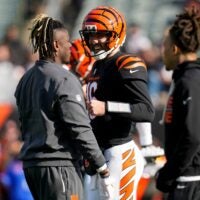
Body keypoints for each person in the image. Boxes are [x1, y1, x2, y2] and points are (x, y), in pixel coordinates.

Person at [14, 14, 112, 200]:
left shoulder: (26, 79)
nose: (71, 46)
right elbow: (79, 127)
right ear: (56, 46)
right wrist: (102, 166)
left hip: (32, 167)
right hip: (59, 167)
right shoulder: (64, 78)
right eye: (67, 41)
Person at [79, 6, 155, 200]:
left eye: (101, 35)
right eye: (90, 35)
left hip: (119, 152)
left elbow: (146, 110)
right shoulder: (97, 66)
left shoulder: (125, 63)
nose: (94, 41)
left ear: (115, 35)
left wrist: (107, 107)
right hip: (99, 155)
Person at [155, 6, 200, 200]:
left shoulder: (190, 80)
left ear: (174, 49)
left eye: (164, 46)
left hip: (189, 181)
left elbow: (193, 136)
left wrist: (168, 173)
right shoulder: (184, 78)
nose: (162, 51)